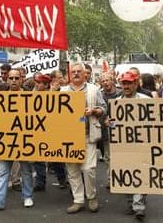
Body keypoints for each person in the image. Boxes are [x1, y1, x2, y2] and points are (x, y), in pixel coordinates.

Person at [0, 69, 35, 212]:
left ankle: (27, 196)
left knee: (25, 170)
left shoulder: (29, 97)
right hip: (5, 140)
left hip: (24, 139)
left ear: (21, 80)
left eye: (16, 78)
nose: (13, 80)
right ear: (7, 80)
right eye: (10, 78)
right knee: (3, 172)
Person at [61, 62, 106, 214]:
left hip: (88, 135)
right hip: (69, 137)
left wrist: (94, 110)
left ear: (84, 73)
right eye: (73, 72)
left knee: (89, 169)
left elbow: (103, 108)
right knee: (72, 170)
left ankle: (92, 197)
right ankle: (78, 200)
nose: (75, 74)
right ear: (70, 74)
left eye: (78, 71)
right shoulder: (63, 91)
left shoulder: (94, 90)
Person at [117, 71, 150, 220]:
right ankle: (131, 202)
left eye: (129, 83)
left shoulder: (146, 100)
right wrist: (109, 123)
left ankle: (139, 206)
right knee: (126, 174)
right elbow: (113, 123)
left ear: (136, 84)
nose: (126, 86)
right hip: (123, 147)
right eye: (124, 83)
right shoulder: (116, 102)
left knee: (141, 174)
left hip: (142, 145)